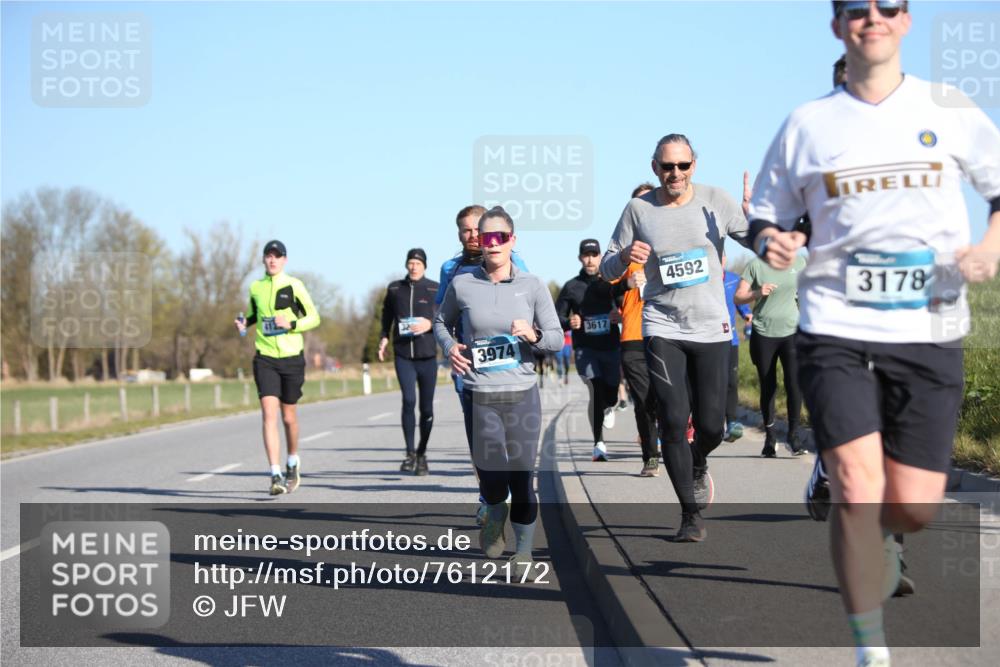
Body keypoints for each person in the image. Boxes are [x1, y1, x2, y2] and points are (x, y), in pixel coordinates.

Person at [749, 3, 1000, 665]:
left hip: (930, 326)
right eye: (855, 9)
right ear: (837, 27)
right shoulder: (808, 124)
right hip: (835, 325)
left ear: (908, 20)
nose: (872, 17)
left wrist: (992, 246)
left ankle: (888, 531)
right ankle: (871, 649)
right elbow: (765, 215)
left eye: (887, 5)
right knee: (860, 488)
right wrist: (774, 240)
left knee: (914, 507)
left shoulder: (946, 108)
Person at [601, 133, 752, 542]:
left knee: (711, 425)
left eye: (683, 165)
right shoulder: (638, 208)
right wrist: (624, 257)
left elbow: (757, 241)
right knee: (670, 416)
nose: (676, 173)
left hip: (711, 327)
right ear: (655, 168)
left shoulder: (715, 200)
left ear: (693, 166)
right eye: (668, 166)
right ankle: (689, 514)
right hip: (662, 325)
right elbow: (606, 268)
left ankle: (698, 458)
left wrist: (760, 220)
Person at [434, 206, 563, 576]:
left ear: (512, 241)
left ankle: (524, 550)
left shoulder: (533, 285)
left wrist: (533, 334)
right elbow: (442, 322)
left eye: (499, 237)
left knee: (522, 476)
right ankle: (494, 508)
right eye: (485, 237)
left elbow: (554, 339)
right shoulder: (462, 284)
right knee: (492, 478)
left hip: (522, 393)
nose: (491, 244)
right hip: (480, 394)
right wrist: (450, 348)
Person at [438, 205, 529, 524]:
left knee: (507, 437)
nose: (474, 235)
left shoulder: (513, 260)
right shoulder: (451, 269)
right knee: (480, 437)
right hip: (469, 367)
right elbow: (442, 317)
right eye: (466, 229)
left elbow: (529, 301)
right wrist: (450, 347)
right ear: (459, 234)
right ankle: (489, 496)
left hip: (508, 365)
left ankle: (509, 495)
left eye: (478, 228)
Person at [235, 240, 321, 495]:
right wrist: (243, 324)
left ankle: (292, 461)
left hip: (292, 358)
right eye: (268, 256)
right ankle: (275, 474)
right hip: (265, 358)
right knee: (268, 415)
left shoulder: (295, 286)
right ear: (263, 260)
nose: (272, 260)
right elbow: (251, 315)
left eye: (277, 256)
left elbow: (314, 317)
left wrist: (291, 323)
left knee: (288, 417)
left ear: (284, 260)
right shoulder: (256, 287)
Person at [556, 239, 626, 462]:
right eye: (585, 255)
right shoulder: (571, 286)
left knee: (611, 393)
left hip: (611, 347)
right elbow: (557, 317)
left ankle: (609, 406)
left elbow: (625, 306)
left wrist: (619, 316)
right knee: (595, 389)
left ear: (600, 257)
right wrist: (570, 322)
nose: (589, 259)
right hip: (586, 349)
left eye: (594, 255)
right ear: (580, 258)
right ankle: (598, 444)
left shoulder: (610, 282)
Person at [734, 254, 807, 457]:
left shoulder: (799, 262)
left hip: (792, 331)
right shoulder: (756, 265)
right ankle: (770, 437)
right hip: (763, 332)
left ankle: (793, 436)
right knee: (768, 385)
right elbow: (738, 296)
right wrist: (757, 292)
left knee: (794, 383)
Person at [614, 182, 662, 476]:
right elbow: (600, 287)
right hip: (633, 334)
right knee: (644, 400)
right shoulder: (623, 250)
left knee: (671, 399)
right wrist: (623, 284)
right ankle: (651, 456)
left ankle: (678, 443)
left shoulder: (671, 243)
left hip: (669, 332)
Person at [378, 248, 439, 475]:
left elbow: (444, 316)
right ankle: (409, 453)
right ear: (406, 265)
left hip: (427, 356)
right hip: (403, 354)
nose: (414, 266)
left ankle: (422, 454)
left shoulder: (434, 288)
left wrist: (429, 324)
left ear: (424, 266)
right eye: (410, 262)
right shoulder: (395, 288)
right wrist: (383, 337)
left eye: (418, 263)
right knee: (409, 400)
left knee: (426, 409)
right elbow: (386, 316)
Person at [721, 254, 753, 443]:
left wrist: (747, 314)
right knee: (713, 384)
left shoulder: (734, 279)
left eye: (722, 256)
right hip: (708, 339)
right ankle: (712, 423)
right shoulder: (704, 279)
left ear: (725, 258)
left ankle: (732, 422)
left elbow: (741, 301)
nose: (719, 260)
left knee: (731, 382)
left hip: (730, 339)